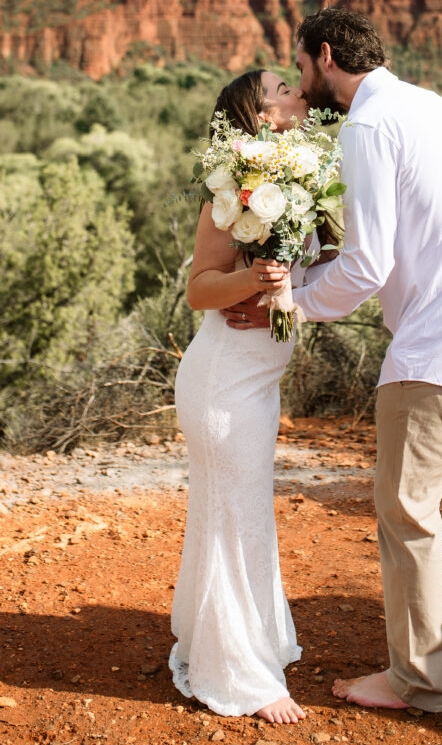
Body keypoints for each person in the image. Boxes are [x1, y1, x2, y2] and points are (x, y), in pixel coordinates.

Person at [223, 8, 442, 714]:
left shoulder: (367, 124)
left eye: (301, 68)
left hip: (437, 346)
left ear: (326, 55)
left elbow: (369, 265)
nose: (302, 83)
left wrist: (291, 300)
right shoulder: (434, 105)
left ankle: (414, 680)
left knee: (406, 511)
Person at [169, 69, 310, 723]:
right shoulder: (232, 187)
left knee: (240, 513)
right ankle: (240, 676)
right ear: (260, 111)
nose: (297, 87)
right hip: (224, 378)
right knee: (234, 515)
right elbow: (200, 288)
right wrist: (255, 275)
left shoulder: (298, 182)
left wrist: (287, 300)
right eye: (284, 84)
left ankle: (244, 640)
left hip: (257, 379)